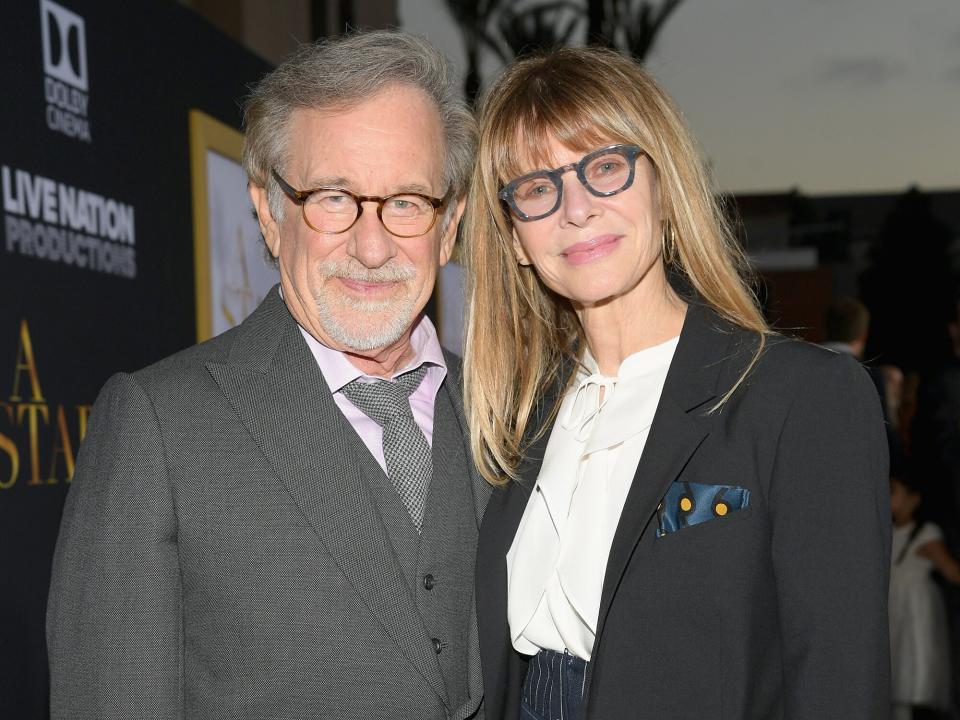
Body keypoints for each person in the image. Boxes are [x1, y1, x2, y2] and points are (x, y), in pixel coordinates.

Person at [46, 31, 488, 720]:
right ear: (270, 213)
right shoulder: (158, 426)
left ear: (450, 222)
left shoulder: (508, 414)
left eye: (405, 201)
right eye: (333, 197)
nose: (371, 248)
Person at [462, 47, 890, 719]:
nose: (575, 209)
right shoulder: (515, 420)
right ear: (516, 236)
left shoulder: (802, 399)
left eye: (605, 167)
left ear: (664, 191)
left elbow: (840, 686)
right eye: (537, 187)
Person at [889, 468, 960, 720]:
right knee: (895, 679)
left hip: (914, 614)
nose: (888, 498)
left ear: (913, 498)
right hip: (894, 611)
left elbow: (952, 572)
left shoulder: (926, 534)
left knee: (912, 671)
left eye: (893, 492)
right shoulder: (888, 532)